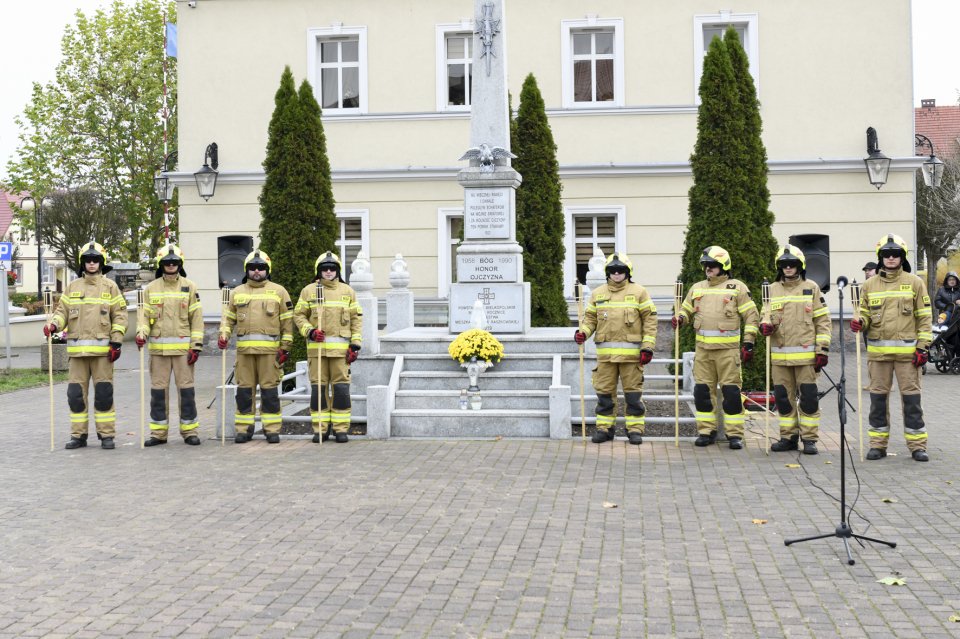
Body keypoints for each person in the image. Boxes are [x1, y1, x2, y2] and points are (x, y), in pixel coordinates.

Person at [851, 234, 932, 462]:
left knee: (912, 402)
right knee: (877, 402)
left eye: (895, 254)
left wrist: (923, 348)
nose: (891, 258)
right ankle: (878, 445)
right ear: (880, 257)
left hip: (908, 356)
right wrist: (860, 322)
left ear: (902, 257)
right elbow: (864, 314)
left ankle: (917, 446)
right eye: (886, 254)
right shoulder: (869, 285)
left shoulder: (915, 282)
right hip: (878, 357)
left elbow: (925, 317)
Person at [672, 246, 759, 449]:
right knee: (702, 393)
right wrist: (681, 318)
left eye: (712, 265)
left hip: (728, 352)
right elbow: (685, 308)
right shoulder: (697, 287)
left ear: (723, 266)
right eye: (705, 265)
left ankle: (735, 435)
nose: (708, 269)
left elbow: (751, 315)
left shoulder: (737, 287)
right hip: (703, 352)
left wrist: (749, 342)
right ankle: (706, 432)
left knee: (731, 394)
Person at [44, 242, 127, 450]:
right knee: (75, 396)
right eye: (88, 260)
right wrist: (53, 325)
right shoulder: (73, 287)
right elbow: (62, 312)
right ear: (83, 263)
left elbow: (120, 315)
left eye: (96, 260)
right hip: (77, 354)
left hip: (102, 354)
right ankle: (78, 435)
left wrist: (116, 341)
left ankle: (106, 435)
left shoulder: (110, 287)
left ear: (101, 262)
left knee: (104, 395)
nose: (91, 263)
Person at [574, 253, 657, 445]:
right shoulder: (598, 294)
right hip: (606, 358)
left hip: (632, 358)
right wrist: (583, 333)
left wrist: (648, 347)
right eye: (613, 270)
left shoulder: (639, 292)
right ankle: (604, 429)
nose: (617, 273)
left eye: (621, 270)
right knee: (604, 394)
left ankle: (635, 430)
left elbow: (650, 321)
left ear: (628, 272)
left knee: (633, 395)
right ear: (607, 273)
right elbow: (590, 320)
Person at [760, 244, 831, 455]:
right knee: (783, 398)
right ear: (779, 267)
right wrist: (765, 325)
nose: (788, 268)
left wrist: (822, 350)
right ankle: (788, 437)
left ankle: (809, 439)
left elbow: (823, 321)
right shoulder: (771, 290)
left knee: (809, 399)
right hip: (779, 357)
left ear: (800, 266)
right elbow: (764, 313)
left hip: (806, 356)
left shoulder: (812, 288)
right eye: (784, 265)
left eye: (792, 264)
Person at [217, 249, 294, 444]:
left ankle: (272, 430)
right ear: (247, 270)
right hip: (245, 355)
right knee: (244, 393)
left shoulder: (279, 291)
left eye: (261, 268)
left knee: (269, 393)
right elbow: (228, 320)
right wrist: (223, 335)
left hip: (270, 354)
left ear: (268, 269)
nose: (257, 271)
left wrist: (285, 347)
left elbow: (287, 322)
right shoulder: (237, 292)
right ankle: (244, 430)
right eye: (253, 268)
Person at [136, 244, 204, 447]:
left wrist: (196, 346)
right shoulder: (151, 289)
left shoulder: (190, 287)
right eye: (167, 262)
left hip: (184, 352)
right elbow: (144, 317)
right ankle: (158, 433)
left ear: (180, 264)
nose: (171, 265)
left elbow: (197, 319)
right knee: (158, 394)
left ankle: (190, 431)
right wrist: (141, 334)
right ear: (161, 264)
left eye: (174, 262)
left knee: (187, 393)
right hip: (158, 352)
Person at [293, 252, 363, 443]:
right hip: (317, 352)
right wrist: (310, 331)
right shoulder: (308, 291)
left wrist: (355, 346)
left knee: (341, 391)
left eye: (332, 268)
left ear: (338, 271)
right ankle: (321, 429)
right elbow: (298, 316)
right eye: (325, 268)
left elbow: (356, 320)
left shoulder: (348, 291)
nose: (329, 271)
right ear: (319, 271)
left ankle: (341, 429)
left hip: (341, 354)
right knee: (318, 391)